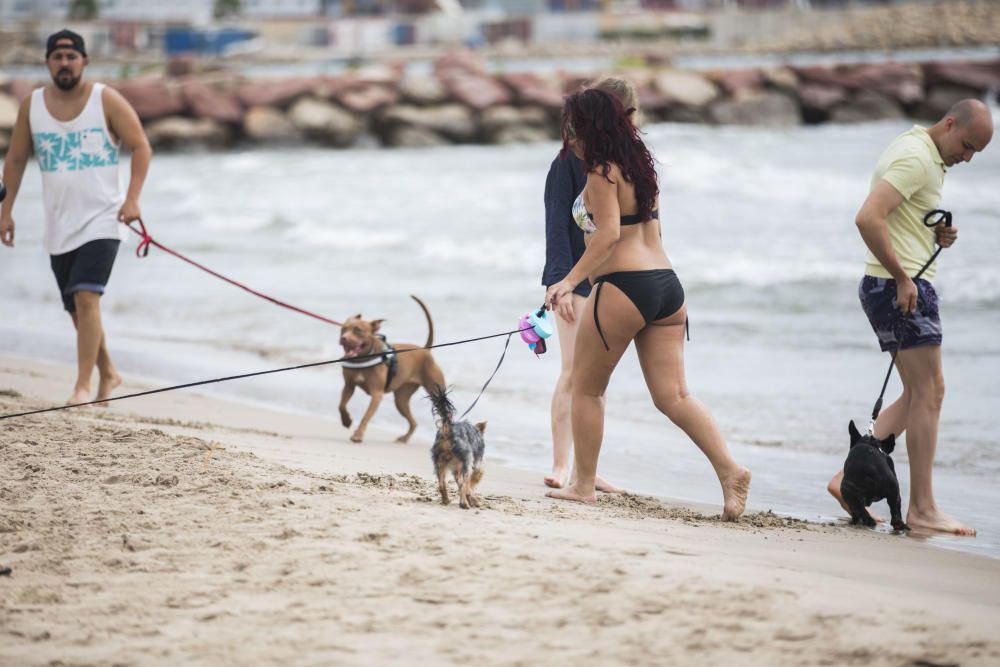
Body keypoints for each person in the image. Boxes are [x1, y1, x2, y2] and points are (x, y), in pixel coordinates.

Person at [544, 89, 751, 520]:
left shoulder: (602, 172)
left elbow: (607, 236)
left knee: (586, 388)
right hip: (666, 286)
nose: (570, 136)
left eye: (573, 127)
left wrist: (568, 282)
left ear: (587, 127)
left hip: (622, 286)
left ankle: (582, 484)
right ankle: (731, 471)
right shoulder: (640, 165)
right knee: (674, 395)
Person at [828, 99, 993, 536]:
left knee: (922, 392)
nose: (968, 157)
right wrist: (903, 277)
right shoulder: (918, 158)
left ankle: (848, 479)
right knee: (930, 391)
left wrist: (936, 234)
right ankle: (922, 507)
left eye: (977, 152)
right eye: (968, 145)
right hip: (897, 286)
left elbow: (895, 218)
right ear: (950, 123)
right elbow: (868, 217)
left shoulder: (921, 151)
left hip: (895, 283)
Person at [1, 29, 152, 406]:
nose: (64, 63)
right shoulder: (32, 105)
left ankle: (82, 387)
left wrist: (133, 199)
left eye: (71, 56)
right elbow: (16, 159)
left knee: (87, 297)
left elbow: (140, 147)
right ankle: (110, 373)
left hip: (104, 217)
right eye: (57, 57)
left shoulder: (105, 99)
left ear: (84, 61)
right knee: (76, 307)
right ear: (48, 62)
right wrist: (6, 211)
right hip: (58, 223)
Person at [542, 77, 638, 493]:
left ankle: (587, 469)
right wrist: (560, 285)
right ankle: (561, 464)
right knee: (573, 372)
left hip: (612, 283)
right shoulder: (567, 163)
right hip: (572, 283)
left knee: (594, 379)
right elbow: (555, 229)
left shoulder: (623, 163)